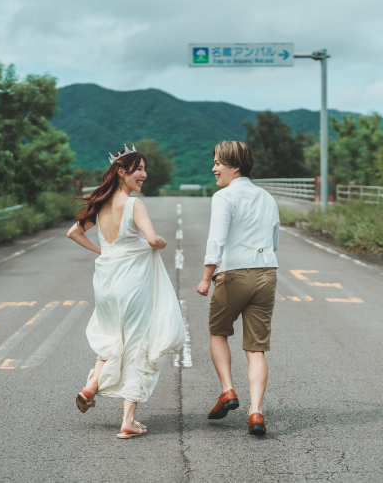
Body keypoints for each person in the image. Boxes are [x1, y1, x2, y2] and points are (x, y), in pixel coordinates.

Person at [67, 144, 185, 439]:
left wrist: (103, 251)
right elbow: (152, 240)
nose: (143, 174)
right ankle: (128, 421)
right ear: (122, 172)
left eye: (145, 169)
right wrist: (162, 241)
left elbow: (73, 232)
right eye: (139, 169)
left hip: (106, 282)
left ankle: (92, 385)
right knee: (138, 344)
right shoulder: (134, 205)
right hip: (133, 284)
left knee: (111, 338)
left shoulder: (102, 203)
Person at [196, 141, 280, 436]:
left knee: (218, 332)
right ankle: (256, 413)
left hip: (233, 274)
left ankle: (228, 391)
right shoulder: (267, 197)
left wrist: (207, 277)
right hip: (267, 273)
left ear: (235, 167)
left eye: (218, 163)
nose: (214, 168)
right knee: (256, 348)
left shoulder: (224, 196)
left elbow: (216, 240)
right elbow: (275, 240)